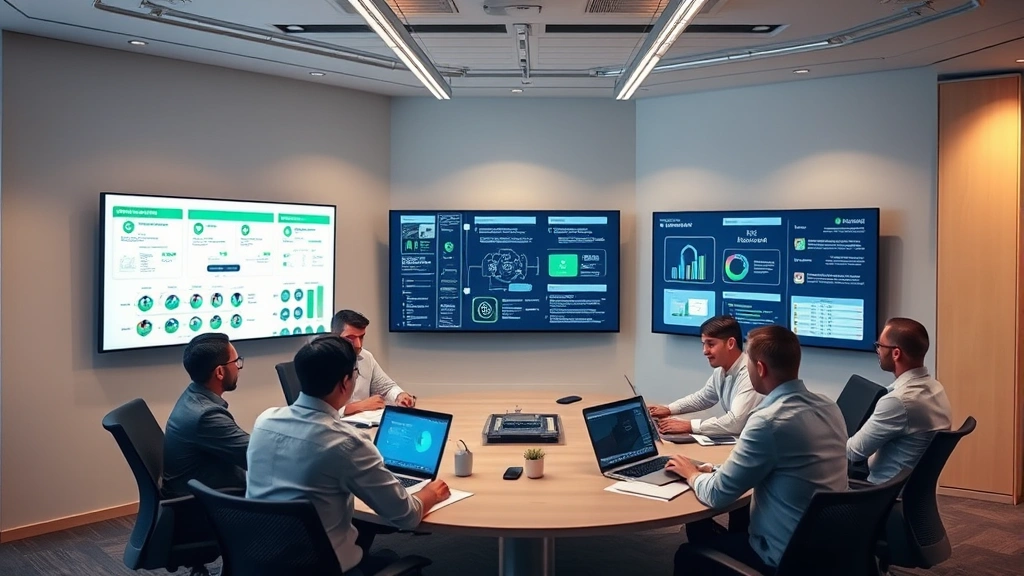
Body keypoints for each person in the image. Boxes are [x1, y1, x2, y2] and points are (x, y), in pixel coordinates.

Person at [246, 335, 450, 573]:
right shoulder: (346, 443)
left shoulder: (264, 420)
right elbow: (406, 516)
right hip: (324, 568)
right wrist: (429, 493)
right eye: (355, 372)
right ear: (345, 383)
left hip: (259, 560)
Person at [668, 325, 848, 574]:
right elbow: (784, 466)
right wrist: (715, 469)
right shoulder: (829, 406)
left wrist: (691, 473)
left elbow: (718, 495)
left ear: (760, 368)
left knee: (688, 554)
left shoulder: (768, 421)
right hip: (831, 546)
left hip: (782, 556)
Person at [848, 317, 952, 484]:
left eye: (880, 346)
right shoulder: (935, 388)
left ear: (896, 353)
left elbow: (853, 452)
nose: (878, 351)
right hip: (911, 491)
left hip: (878, 493)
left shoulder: (898, 402)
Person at [163, 332, 249, 497]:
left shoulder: (192, 395)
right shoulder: (206, 415)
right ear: (219, 372)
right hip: (205, 505)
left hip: (200, 487)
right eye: (236, 362)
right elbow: (254, 456)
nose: (239, 367)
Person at [649, 316, 763, 437]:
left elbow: (735, 423)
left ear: (730, 343)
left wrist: (690, 426)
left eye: (711, 344)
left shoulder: (749, 374)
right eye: (704, 344)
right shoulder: (721, 370)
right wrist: (669, 409)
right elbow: (703, 398)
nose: (705, 351)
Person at [331, 309, 416, 415]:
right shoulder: (320, 360)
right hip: (333, 427)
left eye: (361, 337)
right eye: (351, 338)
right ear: (334, 336)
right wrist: (359, 406)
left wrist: (399, 396)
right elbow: (317, 410)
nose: (358, 345)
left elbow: (386, 387)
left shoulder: (366, 357)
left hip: (364, 425)